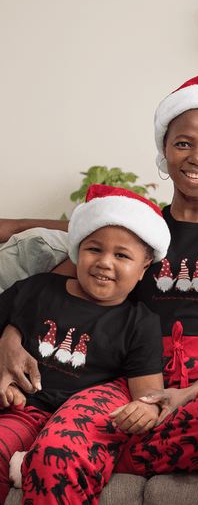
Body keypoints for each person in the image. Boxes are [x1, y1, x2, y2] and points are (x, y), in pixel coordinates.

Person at [0, 75, 198, 505]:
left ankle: (109, 455)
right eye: (183, 143)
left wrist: (186, 395)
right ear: (164, 149)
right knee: (60, 451)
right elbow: (49, 290)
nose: (197, 157)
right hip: (127, 375)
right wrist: (9, 336)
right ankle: (69, 454)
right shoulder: (137, 228)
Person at [0, 183, 171, 503]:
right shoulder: (38, 289)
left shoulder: (140, 323)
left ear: (144, 267)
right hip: (22, 412)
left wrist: (147, 410)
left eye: (121, 255)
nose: (105, 262)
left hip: (80, 427)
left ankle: (36, 460)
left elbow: (148, 395)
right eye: (94, 249)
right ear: (77, 249)